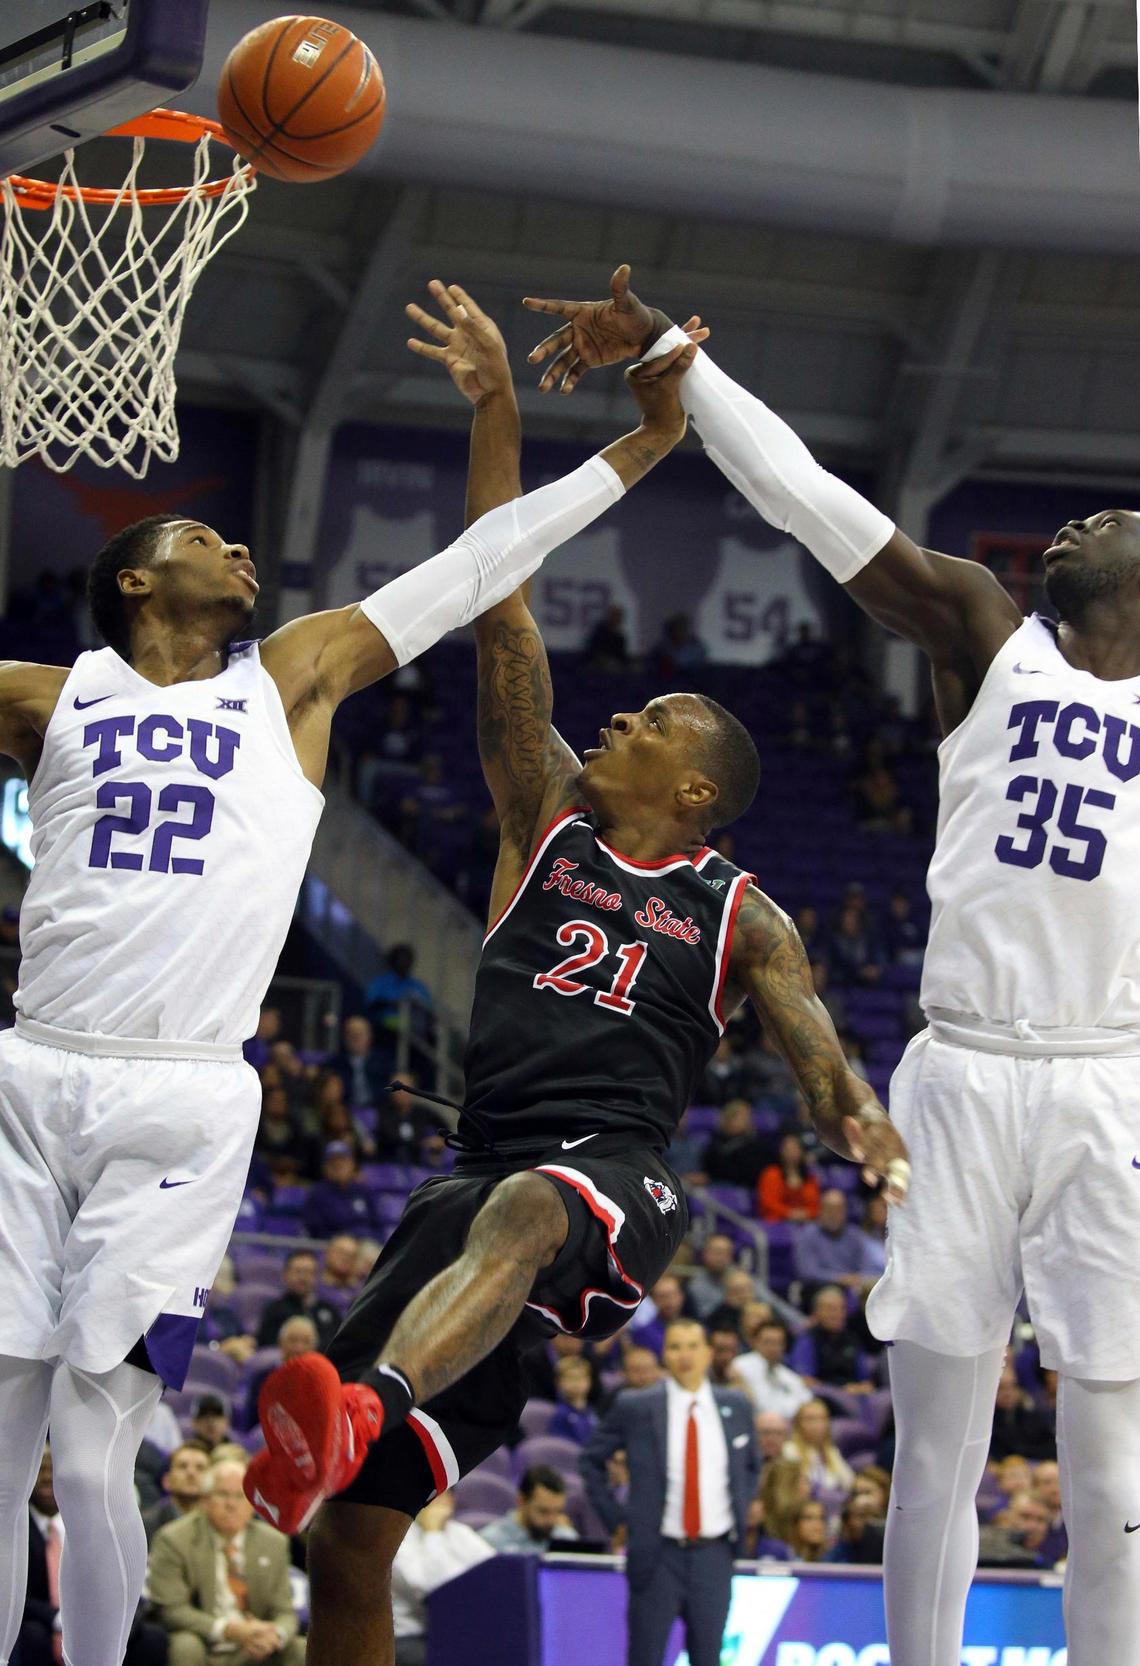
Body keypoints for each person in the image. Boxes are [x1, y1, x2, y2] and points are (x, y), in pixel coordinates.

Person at [243, 283, 905, 1666]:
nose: (618, 713)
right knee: (347, 1539)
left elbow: (812, 1044)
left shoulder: (744, 911)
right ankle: (367, 1425)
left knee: (543, 1204)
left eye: (653, 717)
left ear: (699, 781)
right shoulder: (543, 821)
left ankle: (368, 1397)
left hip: (618, 1177)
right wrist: (498, 406)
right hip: (475, 1177)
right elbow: (502, 601)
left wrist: (858, 1116)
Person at [523, 261, 1140, 1662]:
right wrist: (679, 352)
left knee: (1113, 1461)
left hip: (1112, 1084)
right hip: (967, 1073)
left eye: (1116, 514)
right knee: (938, 1445)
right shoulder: (989, 631)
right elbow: (813, 501)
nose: (1087, 513)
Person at [581, 1318, 759, 1666]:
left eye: (693, 1346)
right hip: (657, 1553)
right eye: (675, 1347)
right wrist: (616, 1518)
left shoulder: (736, 1406)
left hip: (714, 1554)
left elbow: (751, 1465)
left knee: (708, 1658)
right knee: (645, 1657)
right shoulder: (637, 1406)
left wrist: (741, 1507)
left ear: (709, 1353)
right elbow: (590, 1460)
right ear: (665, 1354)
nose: (685, 1355)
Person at [17, 1446, 168, 1666]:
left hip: (97, 1617)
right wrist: (58, 1619)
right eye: (41, 1470)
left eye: (53, 1469)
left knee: (151, 1637)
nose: (48, 1477)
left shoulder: (94, 1520)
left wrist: (116, 1621)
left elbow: (124, 1581)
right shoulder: (14, 1529)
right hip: (41, 1621)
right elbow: (16, 1596)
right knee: (32, 1634)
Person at [148, 1459, 303, 1665]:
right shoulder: (174, 1539)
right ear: (205, 1500)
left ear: (253, 1505)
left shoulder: (273, 1542)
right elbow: (170, 1609)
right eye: (222, 1494)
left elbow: (284, 1611)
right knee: (185, 1646)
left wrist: (275, 1634)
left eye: (240, 1496)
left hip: (255, 1645)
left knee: (300, 1648)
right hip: (205, 1640)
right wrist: (228, 1630)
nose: (231, 1504)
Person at [390, 1491, 496, 1666]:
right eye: (433, 1498)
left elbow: (494, 1574)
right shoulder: (400, 1536)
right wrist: (433, 1533)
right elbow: (433, 1589)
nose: (438, 1505)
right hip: (412, 1636)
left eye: (443, 1497)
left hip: (459, 1630)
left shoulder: (461, 1533)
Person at [789, 1285, 873, 1393]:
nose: (836, 1314)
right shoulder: (807, 1339)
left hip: (853, 1397)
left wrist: (859, 1389)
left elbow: (866, 1382)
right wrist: (840, 1391)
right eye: (830, 1309)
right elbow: (805, 1380)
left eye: (841, 1308)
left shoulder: (852, 1339)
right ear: (816, 1312)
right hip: (822, 1397)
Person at [793, 1188, 877, 1296]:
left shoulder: (855, 1235)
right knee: (831, 1293)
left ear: (845, 1212)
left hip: (854, 1286)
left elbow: (866, 1266)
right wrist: (838, 1279)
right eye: (829, 1209)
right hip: (820, 1288)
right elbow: (808, 1273)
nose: (834, 1214)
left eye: (838, 1210)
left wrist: (858, 1279)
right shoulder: (808, 1235)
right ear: (820, 1210)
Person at [782, 1399, 855, 1519]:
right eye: (810, 1419)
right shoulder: (789, 1450)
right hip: (803, 1513)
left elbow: (850, 1483)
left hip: (834, 1512)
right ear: (798, 1423)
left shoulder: (832, 1452)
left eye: (822, 1419)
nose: (817, 1424)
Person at [479, 1466, 579, 1553]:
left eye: (558, 1511)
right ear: (521, 1501)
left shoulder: (567, 1539)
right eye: (543, 1511)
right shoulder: (489, 1543)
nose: (551, 1520)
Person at [254, 1250, 341, 1351]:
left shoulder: (329, 1310)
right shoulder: (274, 1311)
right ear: (285, 1275)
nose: (303, 1278)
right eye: (298, 1271)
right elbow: (267, 1347)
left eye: (309, 1272)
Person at [735, 1318, 814, 1420]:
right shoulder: (739, 1367)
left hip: (788, 1426)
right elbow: (758, 1405)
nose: (773, 1348)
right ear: (755, 1342)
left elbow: (807, 1402)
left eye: (778, 1343)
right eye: (768, 1342)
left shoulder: (790, 1376)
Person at [302, 1142, 381, 1241]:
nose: (338, 1164)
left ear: (352, 1164)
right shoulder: (316, 1194)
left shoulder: (364, 1191)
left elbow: (378, 1226)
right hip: (335, 1246)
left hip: (367, 1244)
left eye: (343, 1160)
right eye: (333, 1161)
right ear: (325, 1167)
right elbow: (316, 1231)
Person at [142, 1442, 212, 1545]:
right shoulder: (146, 1525)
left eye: (200, 1468)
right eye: (182, 1466)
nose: (191, 1473)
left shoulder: (220, 1523)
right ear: (167, 1481)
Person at [988, 1361, 1057, 1463]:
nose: (1008, 1393)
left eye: (1013, 1386)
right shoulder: (986, 1425)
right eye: (1001, 1388)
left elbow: (1050, 1448)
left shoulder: (1031, 1417)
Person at [700, 1099, 772, 1188]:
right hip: (715, 1185)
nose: (746, 1121)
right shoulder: (715, 1142)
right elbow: (709, 1168)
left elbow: (754, 1173)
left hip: (743, 1187)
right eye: (741, 1117)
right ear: (728, 1118)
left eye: (747, 1117)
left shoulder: (754, 1145)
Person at [757, 1132, 820, 1223]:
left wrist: (806, 1213)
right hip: (777, 1223)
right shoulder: (771, 1173)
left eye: (795, 1149)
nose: (792, 1152)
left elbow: (815, 1205)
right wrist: (789, 1213)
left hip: (805, 1223)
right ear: (781, 1151)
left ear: (801, 1152)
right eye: (788, 1149)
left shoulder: (809, 1177)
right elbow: (768, 1202)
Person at [330, 1015, 389, 1110]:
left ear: (369, 1037)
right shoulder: (335, 1063)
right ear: (344, 1037)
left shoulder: (383, 1061)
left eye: (360, 1034)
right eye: (352, 1035)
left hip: (379, 1110)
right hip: (346, 1111)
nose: (356, 1039)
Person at [629, 1274, 689, 1358]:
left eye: (673, 1295)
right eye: (663, 1297)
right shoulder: (643, 1334)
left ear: (681, 1296)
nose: (669, 1302)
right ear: (653, 1300)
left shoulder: (695, 1329)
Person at [547, 1354, 599, 1445]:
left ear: (590, 1381)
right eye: (570, 1378)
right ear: (558, 1382)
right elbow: (559, 1445)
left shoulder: (592, 1411)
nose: (576, 1383)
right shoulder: (560, 1413)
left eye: (580, 1377)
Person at [686, 1234, 738, 1322]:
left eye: (725, 1253)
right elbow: (704, 1317)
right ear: (705, 1254)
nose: (720, 1258)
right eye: (717, 1252)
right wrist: (729, 1302)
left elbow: (768, 1300)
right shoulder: (695, 1286)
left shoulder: (742, 1277)